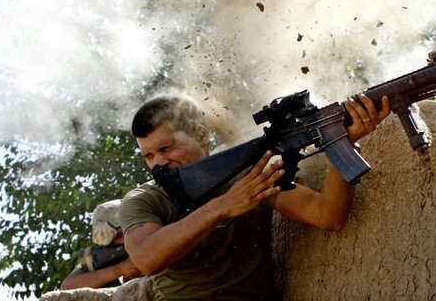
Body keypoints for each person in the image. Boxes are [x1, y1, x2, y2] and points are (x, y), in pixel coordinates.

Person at [119, 93, 390, 300]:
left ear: (201, 136)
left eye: (166, 148)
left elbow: (327, 216)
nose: (158, 163)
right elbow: (146, 259)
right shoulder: (144, 200)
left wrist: (344, 140)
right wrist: (222, 207)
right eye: (149, 156)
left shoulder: (250, 176)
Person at [60, 199, 141, 290]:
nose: (120, 241)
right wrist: (120, 269)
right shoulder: (105, 258)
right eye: (115, 238)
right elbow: (67, 287)